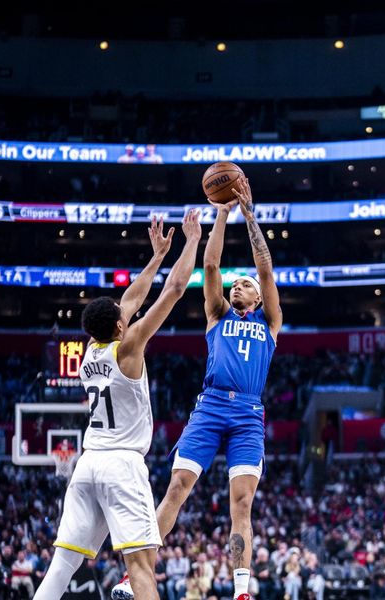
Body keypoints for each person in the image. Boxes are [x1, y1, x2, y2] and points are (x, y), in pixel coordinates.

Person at [113, 177, 282, 600]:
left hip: (247, 414)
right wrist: (221, 215)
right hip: (209, 408)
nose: (238, 284)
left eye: (246, 285)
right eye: (235, 283)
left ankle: (242, 591)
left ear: (259, 300)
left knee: (241, 504)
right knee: (176, 488)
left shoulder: (271, 322)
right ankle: (135, 577)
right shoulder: (217, 313)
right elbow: (210, 268)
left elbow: (265, 267)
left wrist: (249, 215)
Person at [35, 212, 202, 600]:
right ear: (121, 325)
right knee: (140, 566)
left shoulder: (91, 349)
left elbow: (132, 298)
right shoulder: (129, 347)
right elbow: (174, 290)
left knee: (63, 563)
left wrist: (158, 256)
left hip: (88, 464)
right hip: (122, 465)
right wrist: (191, 241)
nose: (126, 308)